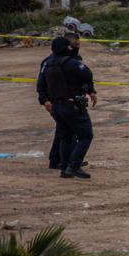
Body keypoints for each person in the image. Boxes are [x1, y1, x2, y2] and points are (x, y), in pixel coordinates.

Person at [37, 36, 96, 179]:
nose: (74, 47)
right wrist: (90, 89)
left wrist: (44, 100)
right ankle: (74, 165)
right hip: (71, 106)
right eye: (73, 45)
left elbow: (41, 84)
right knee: (85, 135)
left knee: (65, 137)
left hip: (56, 107)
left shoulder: (48, 63)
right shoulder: (72, 63)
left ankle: (64, 167)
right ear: (67, 47)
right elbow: (87, 74)